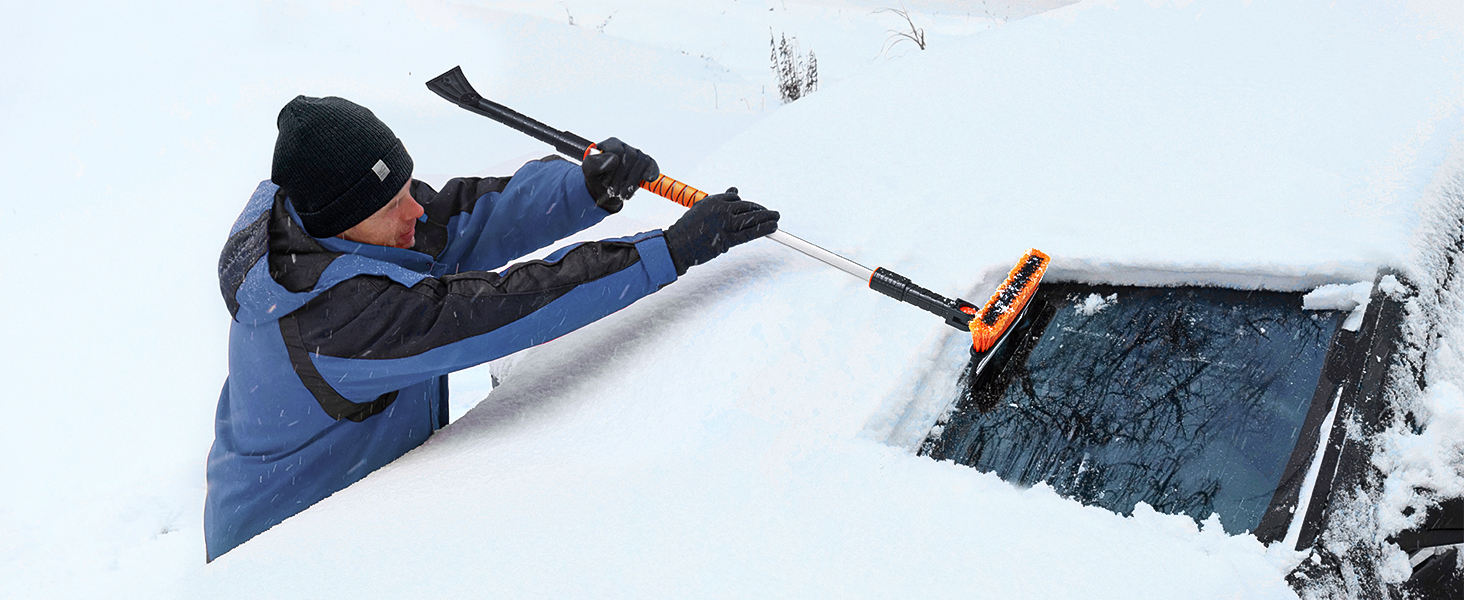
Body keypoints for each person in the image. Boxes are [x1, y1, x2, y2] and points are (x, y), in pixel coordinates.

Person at [206, 95, 779, 561]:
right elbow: (501, 310)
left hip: (359, 513)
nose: (416, 212)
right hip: (281, 552)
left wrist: (585, 188)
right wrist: (671, 250)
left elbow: (467, 216)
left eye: (406, 189)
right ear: (342, 224)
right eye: (393, 206)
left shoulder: (339, 226)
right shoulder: (336, 321)